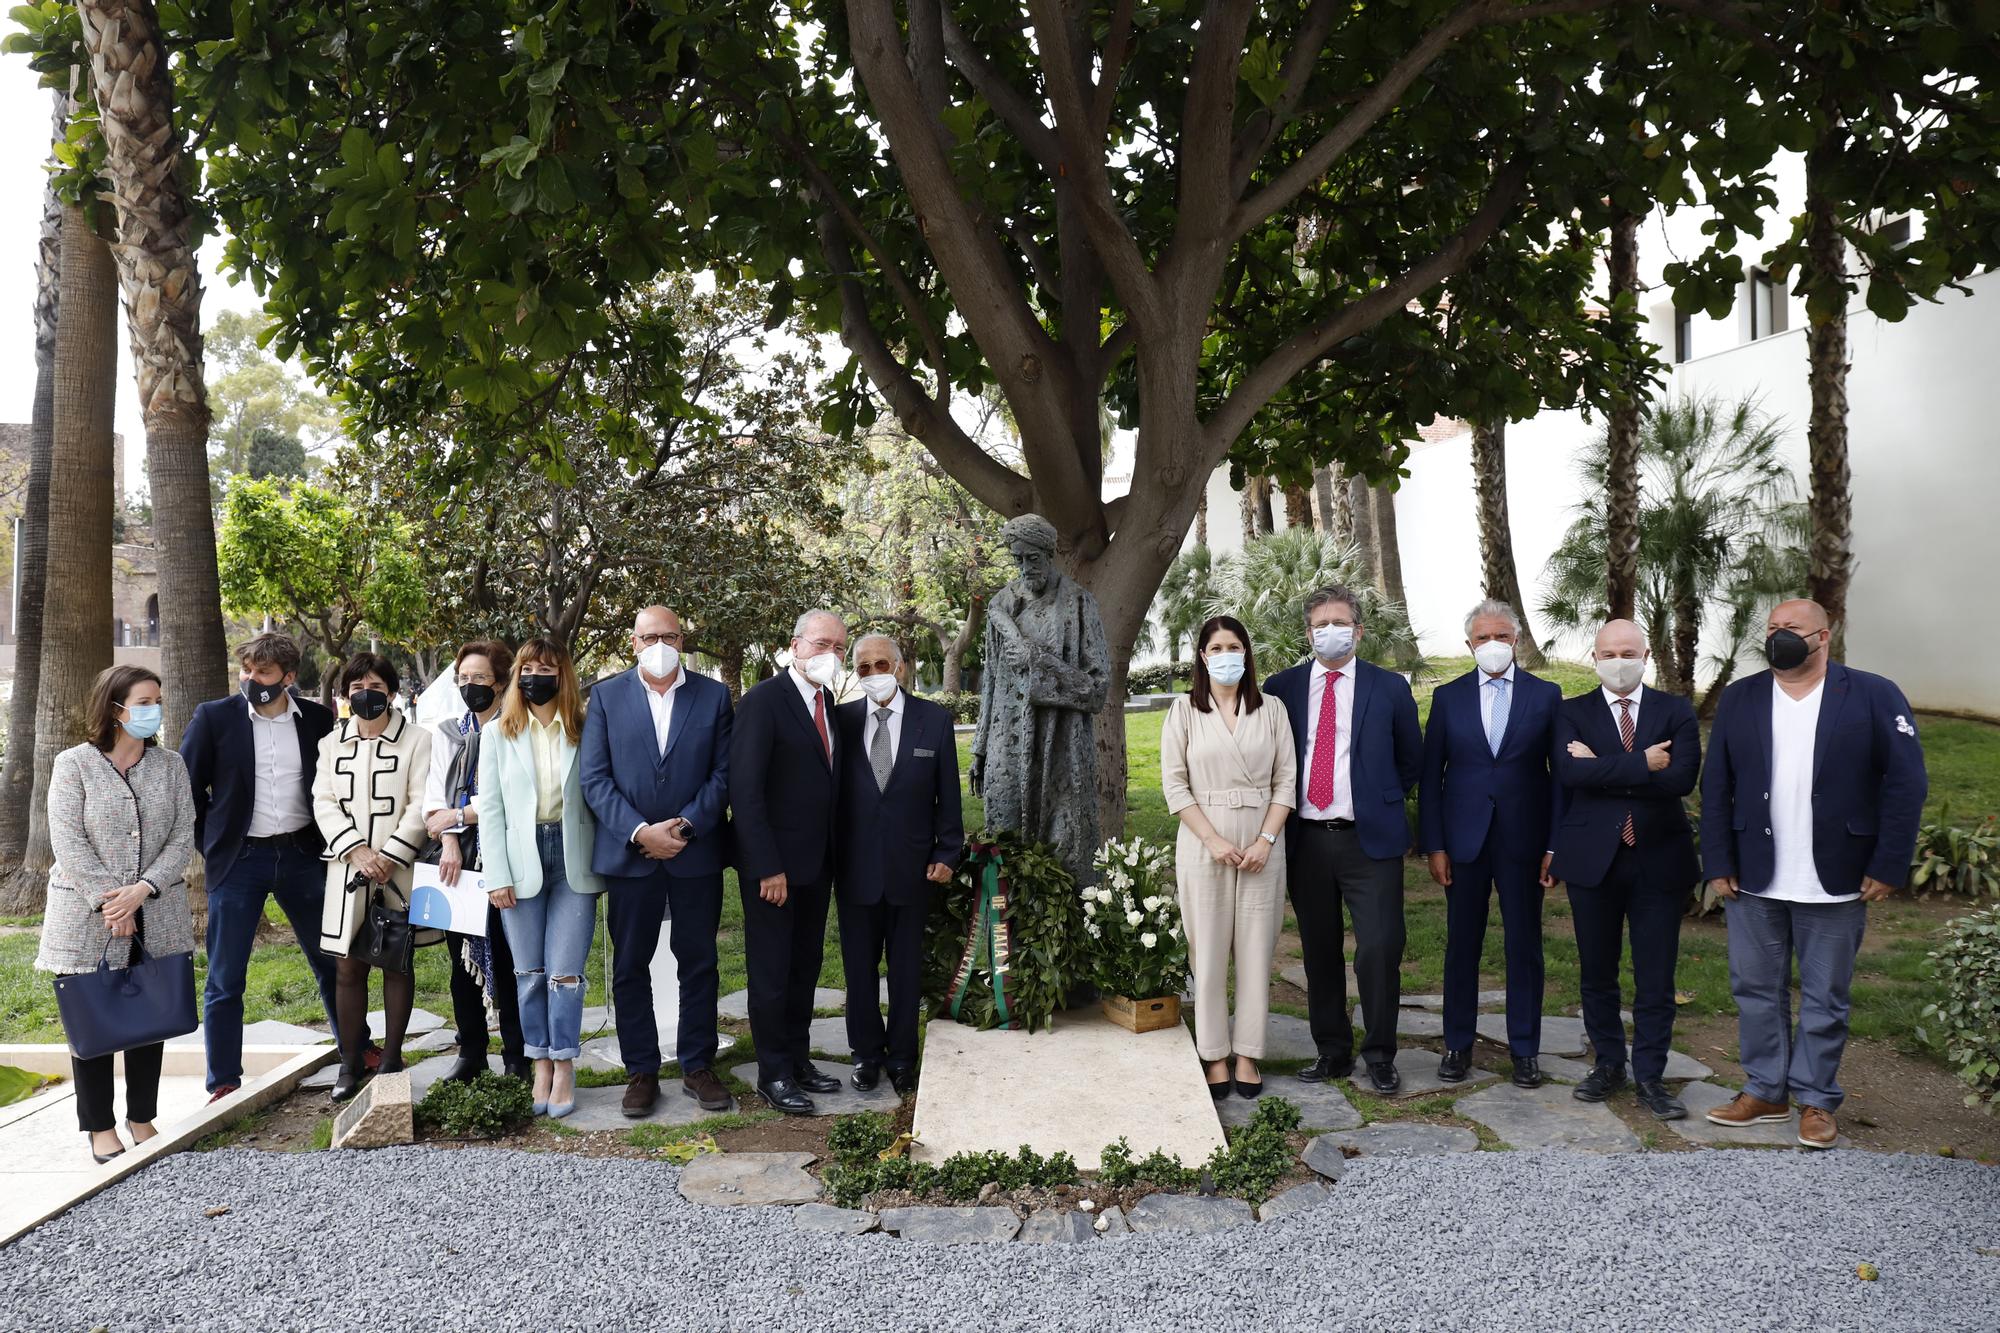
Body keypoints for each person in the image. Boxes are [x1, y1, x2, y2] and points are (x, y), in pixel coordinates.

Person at [1700, 599, 1927, 1148]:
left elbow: (1906, 782)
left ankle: (1817, 1099)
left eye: (1792, 629)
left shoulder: (1874, 693)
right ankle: (1765, 1090)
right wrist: (1718, 862)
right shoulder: (1741, 697)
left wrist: (1888, 863)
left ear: (1823, 637)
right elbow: (1716, 785)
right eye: (1773, 628)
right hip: (1755, 872)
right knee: (1755, 988)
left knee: (1826, 995)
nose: (1780, 636)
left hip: (1839, 874)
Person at [1262, 586, 1422, 1094]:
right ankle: (1332, 1051)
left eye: (1341, 622)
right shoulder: (1281, 687)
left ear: (1358, 629)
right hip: (1305, 840)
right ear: (1308, 632)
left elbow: (1410, 760)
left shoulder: (1389, 686)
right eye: (1320, 624)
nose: (1330, 631)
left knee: (1379, 946)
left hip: (1368, 841)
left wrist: (1377, 797)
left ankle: (1379, 1053)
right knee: (1319, 950)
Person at [35, 665, 196, 1163]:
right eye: (145, 701)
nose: (155, 710)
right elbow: (67, 840)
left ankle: (142, 1117)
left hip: (156, 910)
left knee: (151, 1019)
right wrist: (112, 899)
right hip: (86, 919)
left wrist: (142, 890)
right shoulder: (73, 764)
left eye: (158, 700)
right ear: (115, 709)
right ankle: (100, 1127)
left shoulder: (169, 765)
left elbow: (183, 835)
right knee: (94, 1022)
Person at [579, 605, 735, 1118]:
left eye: (668, 635)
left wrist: (685, 827)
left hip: (696, 854)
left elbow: (722, 772)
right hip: (632, 857)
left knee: (700, 963)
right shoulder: (604, 695)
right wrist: (641, 831)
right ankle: (641, 1070)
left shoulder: (713, 696)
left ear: (682, 640)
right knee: (629, 966)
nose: (659, 643)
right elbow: (595, 778)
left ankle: (697, 1065)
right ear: (634, 643)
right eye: (649, 637)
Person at [179, 633, 343, 1103]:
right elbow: (187, 791)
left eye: (264, 674)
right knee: (226, 976)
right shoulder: (214, 718)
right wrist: (214, 847)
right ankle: (224, 1079)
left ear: (289, 678)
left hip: (302, 857)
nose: (252, 680)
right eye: (246, 671)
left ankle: (355, 1049)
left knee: (331, 962)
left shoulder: (317, 719)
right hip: (239, 861)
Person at [1550, 619, 1700, 1120]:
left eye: (1627, 652)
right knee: (1597, 972)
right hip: (1594, 861)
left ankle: (1652, 1077)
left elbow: (1679, 779)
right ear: (1594, 658)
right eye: (1608, 653)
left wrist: (1603, 767)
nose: (1618, 661)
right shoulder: (1570, 711)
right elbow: (1570, 773)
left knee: (1655, 977)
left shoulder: (1675, 710)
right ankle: (1609, 1063)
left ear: (1646, 655)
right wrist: (1641, 764)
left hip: (1658, 860)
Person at [1419, 600, 1563, 1090]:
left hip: (1524, 840)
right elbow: (1431, 777)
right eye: (1483, 638)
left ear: (1517, 640)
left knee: (1524, 946)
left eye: (1502, 636)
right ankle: (1458, 1044)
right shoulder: (1448, 697)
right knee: (1463, 944)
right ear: (1469, 645)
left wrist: (1554, 844)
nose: (1493, 645)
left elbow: (1559, 778)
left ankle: (1525, 1050)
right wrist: (1434, 845)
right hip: (1463, 842)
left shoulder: (1546, 696)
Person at [1161, 616, 1295, 1101]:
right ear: (1202, 656)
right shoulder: (1183, 711)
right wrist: (1213, 840)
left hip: (1262, 837)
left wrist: (1265, 839)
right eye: (1216, 646)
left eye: (1234, 645)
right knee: (1209, 950)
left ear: (1247, 653)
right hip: (1204, 838)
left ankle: (1249, 1053)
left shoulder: (1273, 709)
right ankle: (1215, 1053)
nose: (1226, 654)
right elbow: (1174, 784)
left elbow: (1286, 780)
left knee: (1258, 950)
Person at [833, 634, 964, 1096]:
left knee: (907, 970)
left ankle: (903, 1056)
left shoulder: (934, 720)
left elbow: (948, 796)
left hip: (913, 870)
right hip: (854, 870)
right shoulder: (840, 721)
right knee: (859, 970)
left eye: (880, 664)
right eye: (862, 667)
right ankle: (867, 1055)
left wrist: (947, 852)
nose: (872, 674)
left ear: (901, 667)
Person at [478, 640, 604, 1119]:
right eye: (526, 669)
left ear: (562, 675)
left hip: (574, 861)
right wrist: (496, 875)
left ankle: (566, 1063)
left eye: (545, 668)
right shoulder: (498, 733)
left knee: (565, 975)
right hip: (520, 858)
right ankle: (540, 1063)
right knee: (529, 974)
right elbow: (489, 808)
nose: (535, 676)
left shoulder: (585, 727)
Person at [731, 608, 847, 1114]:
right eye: (822, 644)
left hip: (817, 864)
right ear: (796, 646)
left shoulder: (829, 702)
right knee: (772, 972)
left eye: (840, 647)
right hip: (774, 870)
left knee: (805, 967)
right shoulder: (763, 702)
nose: (831, 655)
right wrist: (766, 866)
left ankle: (798, 1059)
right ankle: (772, 1072)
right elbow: (747, 791)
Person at [313, 652, 437, 1102]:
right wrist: (357, 850)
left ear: (393, 692)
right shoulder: (332, 743)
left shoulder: (417, 740)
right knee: (348, 967)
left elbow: (421, 802)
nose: (367, 695)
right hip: (347, 869)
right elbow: (323, 801)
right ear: (346, 695)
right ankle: (349, 1062)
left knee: (396, 961)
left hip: (397, 871)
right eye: (358, 687)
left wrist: (389, 855)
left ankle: (391, 1059)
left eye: (377, 687)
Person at [422, 639, 529, 1084]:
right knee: (460, 960)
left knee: (510, 959)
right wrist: (449, 838)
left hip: (507, 857)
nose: (471, 686)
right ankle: (471, 1051)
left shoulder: (517, 729)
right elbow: (434, 798)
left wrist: (463, 814)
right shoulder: (448, 733)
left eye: (480, 679)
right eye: (463, 679)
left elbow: (515, 794)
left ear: (501, 682)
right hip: (459, 863)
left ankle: (518, 1056)